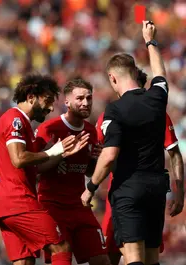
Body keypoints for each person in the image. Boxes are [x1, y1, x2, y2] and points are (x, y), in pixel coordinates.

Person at [81, 21, 175, 265]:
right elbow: (161, 75)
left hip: (129, 189)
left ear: (112, 78)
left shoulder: (115, 110)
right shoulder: (157, 99)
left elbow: (110, 155)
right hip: (156, 187)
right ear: (135, 73)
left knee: (133, 257)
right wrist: (150, 41)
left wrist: (90, 187)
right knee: (152, 256)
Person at [0, 73, 89, 265]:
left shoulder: (23, 124)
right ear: (31, 98)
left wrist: (62, 153)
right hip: (19, 202)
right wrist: (53, 151)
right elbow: (19, 159)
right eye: (47, 101)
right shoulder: (15, 119)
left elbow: (31, 169)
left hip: (6, 205)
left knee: (25, 262)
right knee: (61, 247)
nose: (51, 107)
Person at [96, 69, 184, 265]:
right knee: (142, 256)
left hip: (123, 194)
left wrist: (91, 186)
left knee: (131, 256)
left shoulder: (111, 114)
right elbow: (174, 153)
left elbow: (104, 157)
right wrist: (179, 192)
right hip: (146, 191)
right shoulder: (157, 113)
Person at [34, 77, 110, 265]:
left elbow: (89, 172)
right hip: (53, 206)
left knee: (102, 260)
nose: (85, 103)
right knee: (62, 258)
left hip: (79, 205)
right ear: (67, 102)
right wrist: (61, 154)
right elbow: (35, 169)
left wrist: (95, 159)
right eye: (80, 98)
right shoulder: (49, 129)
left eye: (89, 98)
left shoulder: (92, 132)